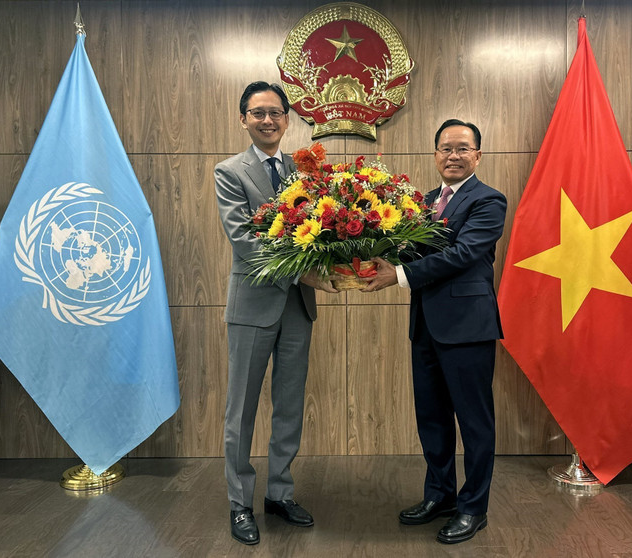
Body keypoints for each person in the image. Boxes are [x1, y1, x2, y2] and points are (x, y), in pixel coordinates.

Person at [362, 119, 507, 544]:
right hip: (425, 326)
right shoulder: (423, 202)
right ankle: (439, 495)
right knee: (433, 419)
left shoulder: (488, 201)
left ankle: (473, 507)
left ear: (478, 155)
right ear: (435, 154)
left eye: (463, 148)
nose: (453, 155)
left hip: (467, 328)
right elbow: (402, 247)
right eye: (446, 148)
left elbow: (463, 254)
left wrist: (400, 275)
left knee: (474, 424)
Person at [215, 81, 337, 546]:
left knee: (289, 406)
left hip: (297, 312)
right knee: (241, 408)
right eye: (257, 113)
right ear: (243, 119)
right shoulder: (230, 172)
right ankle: (240, 502)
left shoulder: (303, 172)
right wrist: (304, 274)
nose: (267, 120)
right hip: (253, 306)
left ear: (288, 119)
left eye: (275, 113)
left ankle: (280, 493)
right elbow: (245, 241)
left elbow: (319, 228)